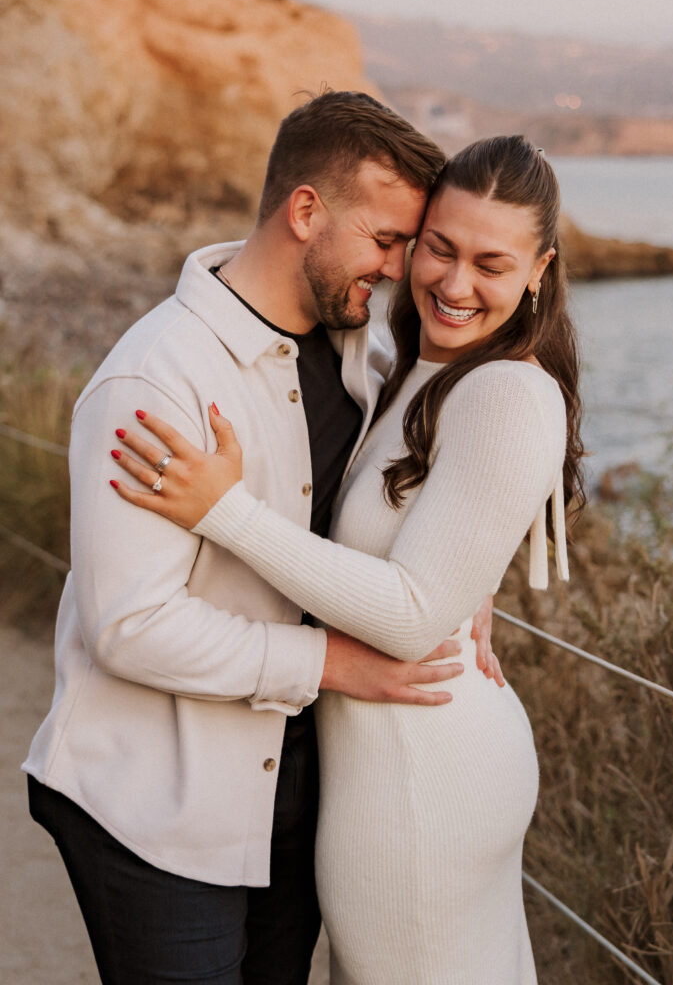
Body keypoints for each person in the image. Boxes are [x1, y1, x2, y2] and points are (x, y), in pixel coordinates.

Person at [22, 91, 501, 985]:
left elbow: (415, 489)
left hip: (291, 799)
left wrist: (464, 581)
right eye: (386, 240)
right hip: (155, 807)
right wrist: (331, 663)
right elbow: (130, 626)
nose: (399, 271)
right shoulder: (154, 383)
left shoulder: (360, 357)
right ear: (306, 211)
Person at [110, 135, 584, 984]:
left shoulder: (509, 391)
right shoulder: (407, 366)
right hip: (382, 767)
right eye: (435, 247)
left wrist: (226, 513)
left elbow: (408, 617)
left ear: (539, 269)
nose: (452, 283)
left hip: (422, 782)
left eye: (491, 262)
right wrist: (457, 578)